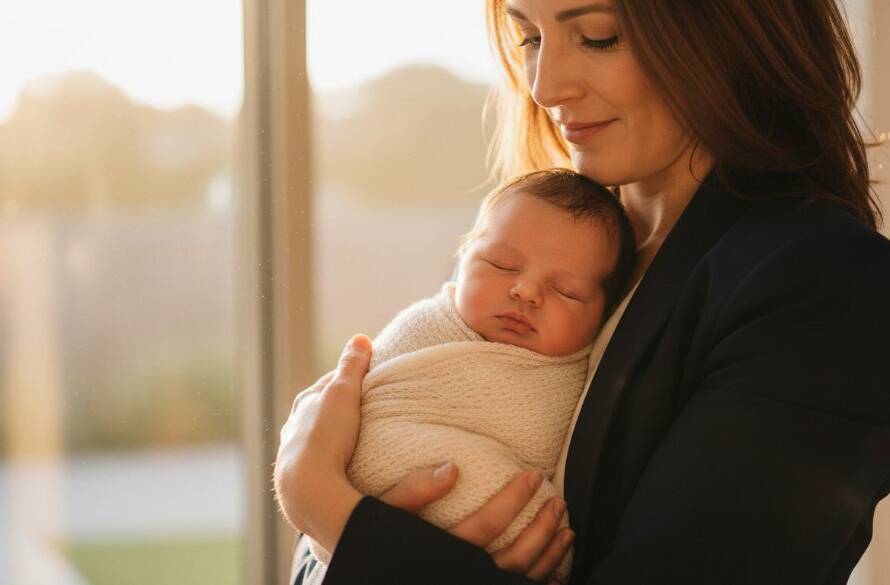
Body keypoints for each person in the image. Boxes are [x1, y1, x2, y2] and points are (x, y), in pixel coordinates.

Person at [275, 1, 890, 584]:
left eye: (598, 37)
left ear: (725, 30)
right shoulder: (551, 238)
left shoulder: (822, 283)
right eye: (529, 37)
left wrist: (322, 504)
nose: (544, 88)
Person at [297, 169, 636, 584]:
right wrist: (320, 492)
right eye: (501, 264)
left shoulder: (581, 376)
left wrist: (322, 498)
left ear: (605, 316)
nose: (526, 291)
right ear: (463, 257)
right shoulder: (427, 325)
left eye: (566, 291)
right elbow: (361, 411)